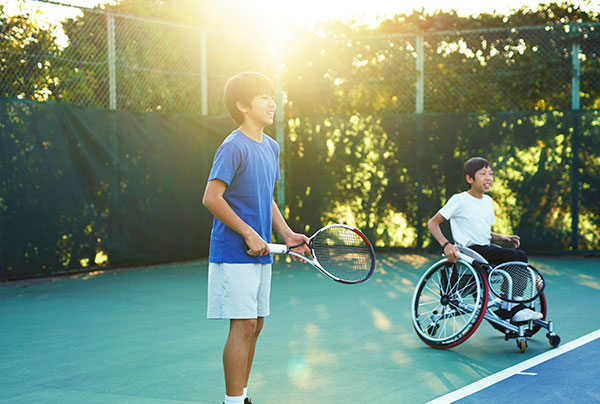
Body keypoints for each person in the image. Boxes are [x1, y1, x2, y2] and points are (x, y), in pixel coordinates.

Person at [202, 71, 310, 404]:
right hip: (233, 251)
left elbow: (266, 197)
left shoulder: (272, 147)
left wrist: (287, 233)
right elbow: (211, 197)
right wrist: (248, 233)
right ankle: (232, 402)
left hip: (261, 252)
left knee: (256, 325)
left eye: (272, 95)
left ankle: (242, 396)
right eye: (263, 96)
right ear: (242, 105)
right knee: (244, 325)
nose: (271, 102)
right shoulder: (233, 146)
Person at [427, 157, 543, 323]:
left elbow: (484, 231)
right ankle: (508, 305)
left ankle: (516, 303)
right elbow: (432, 223)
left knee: (521, 256)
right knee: (511, 257)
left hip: (485, 248)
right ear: (469, 178)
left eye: (491, 174)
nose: (489, 178)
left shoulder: (488, 201)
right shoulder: (459, 200)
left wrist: (502, 237)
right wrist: (446, 245)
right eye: (483, 174)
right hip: (470, 251)